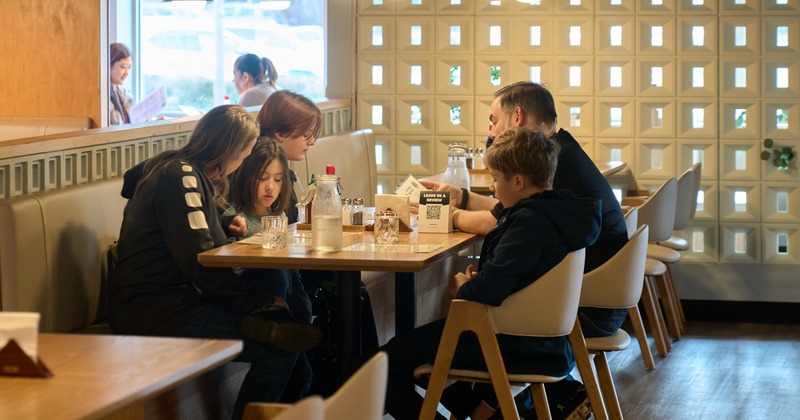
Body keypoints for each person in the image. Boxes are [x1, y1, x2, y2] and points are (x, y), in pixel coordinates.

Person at [108, 105, 321, 419]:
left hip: (184, 301)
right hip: (156, 310)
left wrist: (225, 227)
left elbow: (201, 245)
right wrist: (257, 302)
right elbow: (200, 261)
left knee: (289, 330)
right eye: (244, 154)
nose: (242, 162)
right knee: (283, 343)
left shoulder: (191, 177)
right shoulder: (179, 176)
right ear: (229, 149)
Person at [381, 127, 602, 420]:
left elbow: (489, 290)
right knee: (417, 358)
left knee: (380, 366)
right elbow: (518, 279)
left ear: (519, 182)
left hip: (511, 342)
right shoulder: (561, 213)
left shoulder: (529, 223)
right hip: (543, 340)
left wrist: (462, 287)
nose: (495, 189)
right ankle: (484, 414)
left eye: (496, 179)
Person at [422, 81, 629, 339]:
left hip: (582, 308)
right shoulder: (559, 150)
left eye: (494, 121)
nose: (492, 132)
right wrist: (461, 197)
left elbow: (498, 222)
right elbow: (508, 211)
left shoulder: (553, 162)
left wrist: (447, 216)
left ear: (517, 116)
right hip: (594, 300)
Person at [225, 137, 316, 402]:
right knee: (273, 268)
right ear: (246, 176)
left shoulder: (279, 218)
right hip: (247, 305)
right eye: (262, 177)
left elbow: (293, 273)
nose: (270, 187)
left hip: (285, 305)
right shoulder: (235, 217)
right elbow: (229, 271)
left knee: (303, 375)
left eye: (277, 179)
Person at [109, 43, 133, 125]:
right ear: (109, 65)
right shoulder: (101, 96)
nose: (127, 73)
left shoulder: (123, 92)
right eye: (123, 67)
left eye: (129, 67)